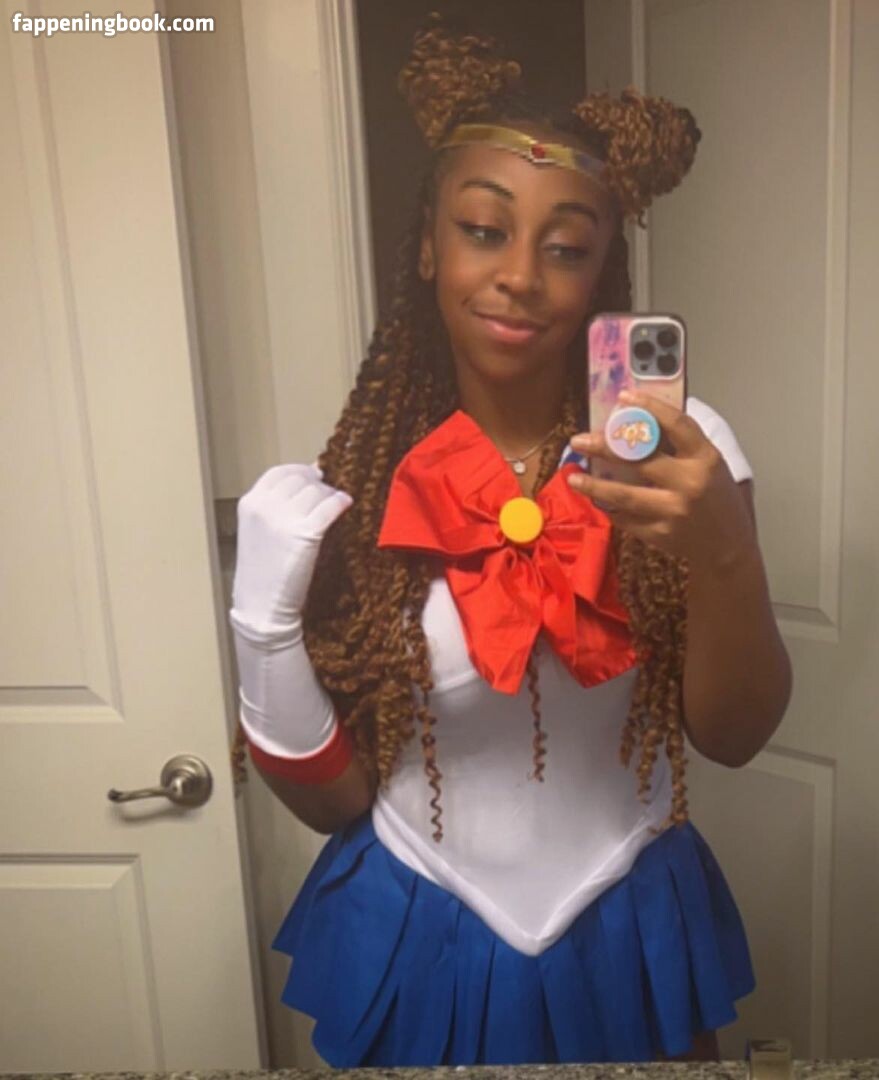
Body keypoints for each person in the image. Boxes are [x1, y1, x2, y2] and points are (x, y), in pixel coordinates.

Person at [227, 12, 792, 1068]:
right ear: (429, 245)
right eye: (485, 229)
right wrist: (260, 632)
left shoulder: (687, 457)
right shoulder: (366, 482)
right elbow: (331, 802)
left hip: (630, 919)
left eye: (566, 247)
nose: (521, 274)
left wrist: (725, 552)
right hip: (421, 924)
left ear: (601, 272)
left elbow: (734, 735)